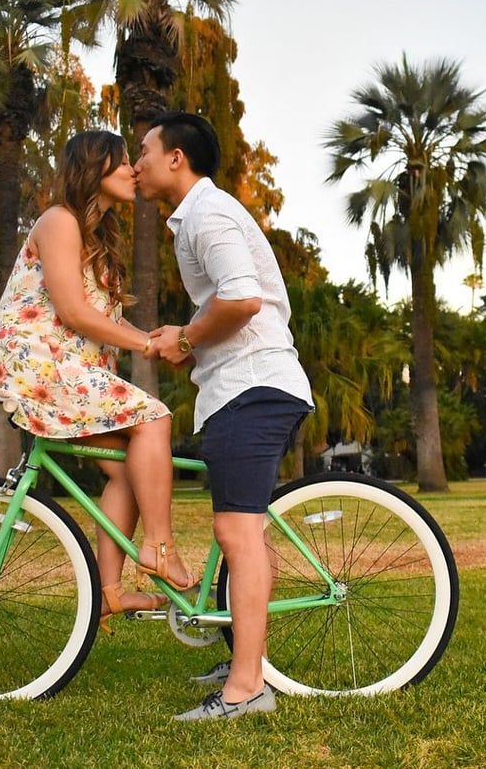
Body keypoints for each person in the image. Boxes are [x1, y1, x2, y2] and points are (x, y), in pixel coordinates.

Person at [0, 130, 198, 635]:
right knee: (156, 419)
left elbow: (108, 321)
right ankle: (160, 550)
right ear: (95, 168)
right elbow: (76, 314)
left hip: (70, 370)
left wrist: (162, 342)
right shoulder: (59, 221)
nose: (133, 172)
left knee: (125, 469)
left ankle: (109, 594)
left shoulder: (97, 237)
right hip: (40, 363)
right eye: (124, 163)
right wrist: (147, 346)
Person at [136, 111, 313, 721]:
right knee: (243, 532)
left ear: (176, 158)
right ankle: (245, 654)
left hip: (254, 387)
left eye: (144, 152)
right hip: (242, 387)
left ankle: (246, 688)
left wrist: (184, 339)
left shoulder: (208, 216)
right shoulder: (196, 218)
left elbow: (241, 298)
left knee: (236, 533)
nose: (136, 164)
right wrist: (189, 340)